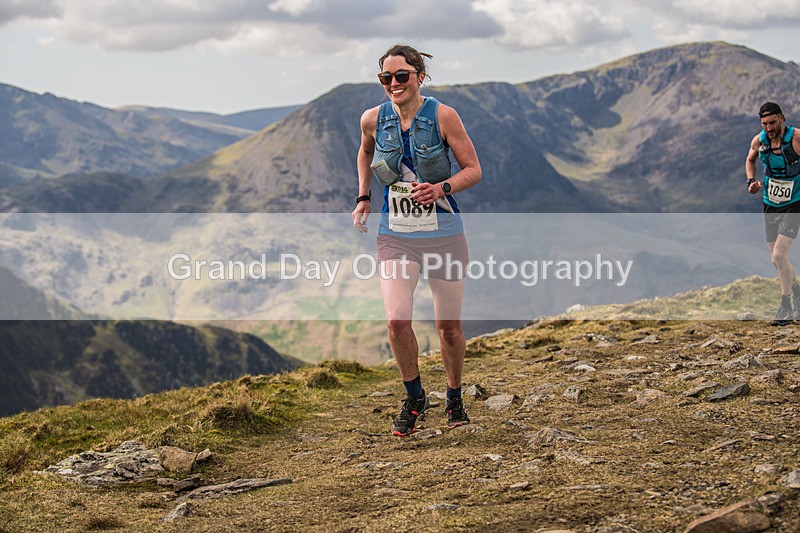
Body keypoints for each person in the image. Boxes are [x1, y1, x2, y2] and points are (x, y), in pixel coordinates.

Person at [352, 44, 482, 436]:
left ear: (419, 77)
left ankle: (455, 397)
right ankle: (414, 398)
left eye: (401, 76)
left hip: (443, 233)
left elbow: (473, 170)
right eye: (386, 78)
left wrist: (441, 187)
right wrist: (363, 197)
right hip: (396, 235)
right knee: (396, 321)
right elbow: (365, 151)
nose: (394, 84)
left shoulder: (443, 115)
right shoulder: (372, 118)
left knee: (448, 328)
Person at [746, 102, 800, 325]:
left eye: (773, 122)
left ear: (782, 118)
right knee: (776, 260)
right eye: (765, 124)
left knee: (779, 255)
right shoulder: (759, 141)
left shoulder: (796, 138)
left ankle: (785, 306)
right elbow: (750, 160)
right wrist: (751, 181)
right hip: (771, 202)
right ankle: (796, 290)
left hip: (795, 202)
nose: (769, 128)